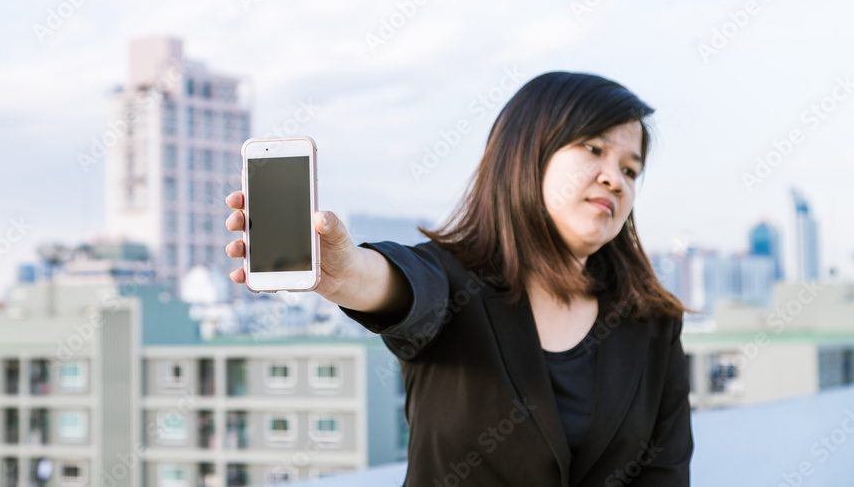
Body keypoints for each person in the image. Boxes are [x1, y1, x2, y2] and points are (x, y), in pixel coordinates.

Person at [224, 71, 696, 486]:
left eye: (631, 168)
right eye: (594, 149)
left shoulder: (653, 323)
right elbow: (401, 288)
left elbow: (665, 475)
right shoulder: (453, 280)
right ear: (527, 153)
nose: (615, 179)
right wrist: (349, 272)